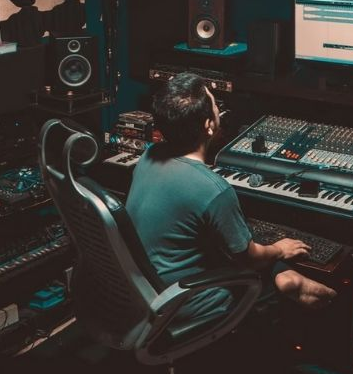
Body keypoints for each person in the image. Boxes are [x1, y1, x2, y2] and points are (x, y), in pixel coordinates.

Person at [125, 72, 337, 321]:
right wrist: (279, 249)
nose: (219, 109)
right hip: (184, 302)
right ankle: (329, 302)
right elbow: (250, 260)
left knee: (248, 249)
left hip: (145, 288)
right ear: (209, 125)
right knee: (267, 267)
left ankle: (287, 278)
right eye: (215, 104)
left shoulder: (148, 157)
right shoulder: (213, 189)